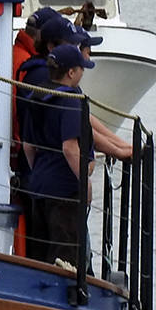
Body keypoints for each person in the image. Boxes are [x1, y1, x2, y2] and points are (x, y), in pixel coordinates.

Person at [25, 42, 99, 265]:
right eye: (81, 69)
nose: (83, 73)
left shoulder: (37, 96)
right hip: (64, 191)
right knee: (65, 259)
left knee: (40, 256)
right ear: (71, 72)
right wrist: (85, 183)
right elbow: (69, 147)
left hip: (39, 185)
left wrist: (40, 172)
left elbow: (28, 146)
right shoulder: (71, 101)